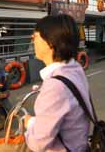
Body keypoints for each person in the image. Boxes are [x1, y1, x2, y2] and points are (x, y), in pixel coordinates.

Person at [23, 15, 91, 151]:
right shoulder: (75, 69)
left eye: (35, 36)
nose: (32, 40)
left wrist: (29, 123)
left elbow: (38, 143)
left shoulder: (55, 86)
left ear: (50, 42)